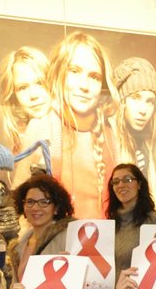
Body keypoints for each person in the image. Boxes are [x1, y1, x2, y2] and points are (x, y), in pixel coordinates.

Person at [40, 31, 122, 221]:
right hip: (57, 248)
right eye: (74, 71)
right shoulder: (43, 128)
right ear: (59, 73)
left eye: (93, 76)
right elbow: (22, 215)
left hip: (108, 248)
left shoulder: (113, 135)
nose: (84, 85)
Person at [99, 162, 156, 289]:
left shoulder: (155, 221)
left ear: (139, 184)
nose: (121, 185)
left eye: (127, 179)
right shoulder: (108, 226)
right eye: (116, 182)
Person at [112, 57, 156, 222]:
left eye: (149, 101)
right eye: (135, 98)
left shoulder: (149, 143)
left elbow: (155, 187)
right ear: (122, 101)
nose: (143, 110)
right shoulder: (110, 142)